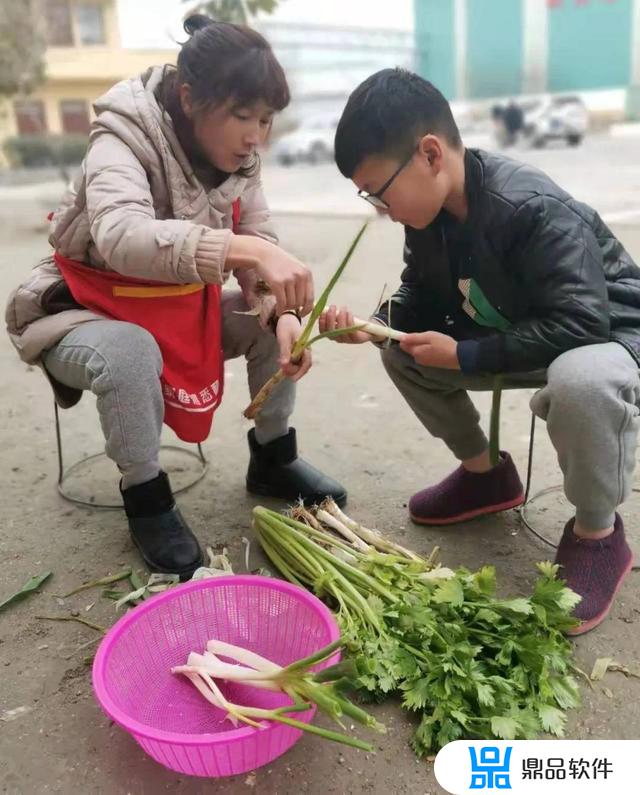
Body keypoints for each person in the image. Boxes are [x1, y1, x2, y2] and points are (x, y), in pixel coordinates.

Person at [5, 15, 345, 579]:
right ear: (189, 98)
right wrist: (246, 251)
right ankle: (146, 495)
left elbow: (259, 246)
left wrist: (282, 315)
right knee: (131, 350)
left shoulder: (240, 161)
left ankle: (273, 458)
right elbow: (120, 238)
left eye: (265, 119)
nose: (255, 134)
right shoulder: (122, 140)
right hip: (83, 309)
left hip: (182, 308)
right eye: (242, 115)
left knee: (270, 322)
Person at [320, 67, 640, 635]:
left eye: (379, 191)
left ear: (429, 154)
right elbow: (419, 294)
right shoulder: (429, 214)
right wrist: (377, 325)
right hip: (527, 331)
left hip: (607, 335)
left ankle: (598, 533)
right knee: (404, 351)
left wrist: (465, 357)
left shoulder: (531, 207)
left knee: (580, 383)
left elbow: (581, 321)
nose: (381, 209)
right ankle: (486, 475)